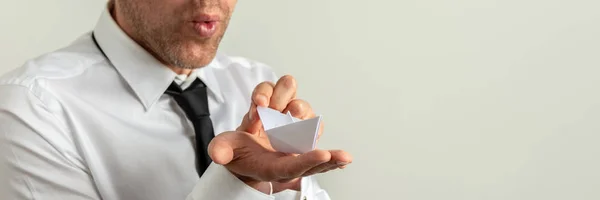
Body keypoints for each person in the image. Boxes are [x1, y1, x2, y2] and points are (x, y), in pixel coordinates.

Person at [0, 0, 353, 199]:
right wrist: (240, 184)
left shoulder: (251, 85)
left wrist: (288, 181)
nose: (207, 2)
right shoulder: (32, 108)